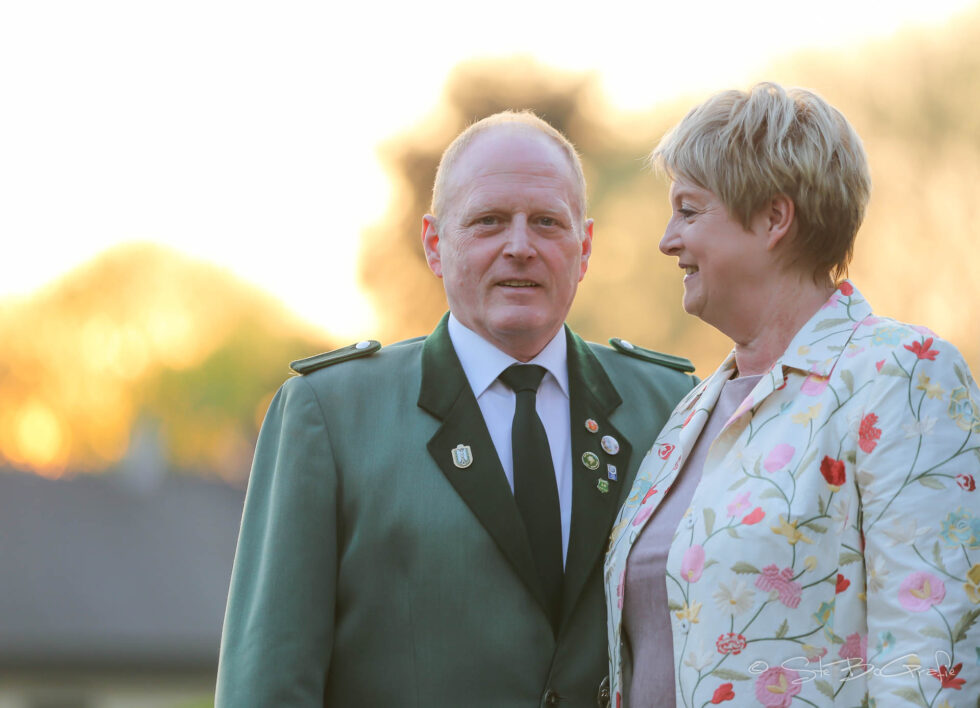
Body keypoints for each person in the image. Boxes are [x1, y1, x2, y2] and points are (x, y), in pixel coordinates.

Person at [215, 111, 697, 707]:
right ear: (435, 244)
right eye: (488, 221)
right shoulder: (331, 415)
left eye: (546, 222)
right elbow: (269, 681)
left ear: (585, 247)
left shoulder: (671, 408)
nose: (519, 247)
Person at [603, 83, 980, 707]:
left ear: (774, 219)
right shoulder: (693, 412)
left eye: (689, 212)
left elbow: (932, 661)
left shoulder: (901, 374)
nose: (667, 240)